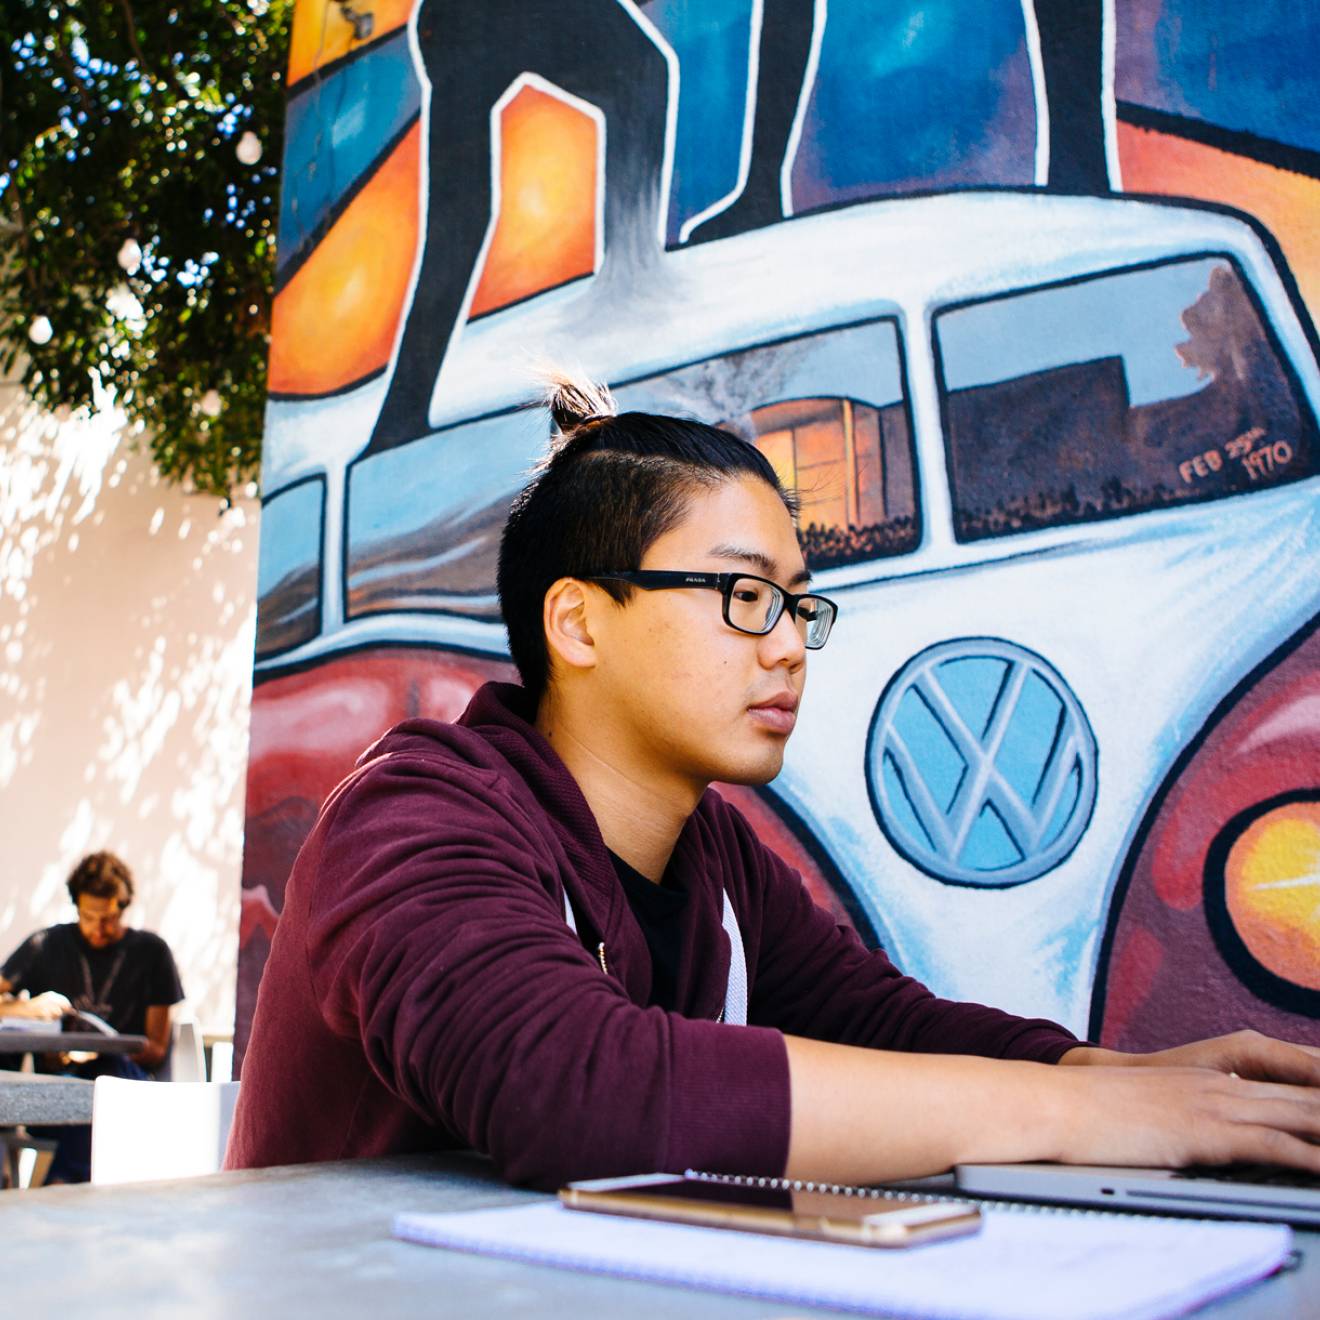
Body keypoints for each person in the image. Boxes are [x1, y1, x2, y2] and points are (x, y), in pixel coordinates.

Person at [228, 376, 1320, 1188]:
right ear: (578, 622)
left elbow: (881, 1026)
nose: (791, 644)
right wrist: (1083, 1118)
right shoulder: (415, 815)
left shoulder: (713, 856)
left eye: (800, 604)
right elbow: (578, 1094)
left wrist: (1130, 1081)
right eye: (746, 596)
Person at [0, 851, 185, 1181]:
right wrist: (25, 1008)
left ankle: (58, 1190)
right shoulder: (47, 944)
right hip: (56, 1091)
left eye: (109, 918)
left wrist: (98, 1051)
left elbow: (156, 1049)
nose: (99, 929)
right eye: (89, 917)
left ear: (123, 908)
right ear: (76, 908)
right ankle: (54, 1191)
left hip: (126, 1088)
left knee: (101, 1082)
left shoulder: (151, 952)